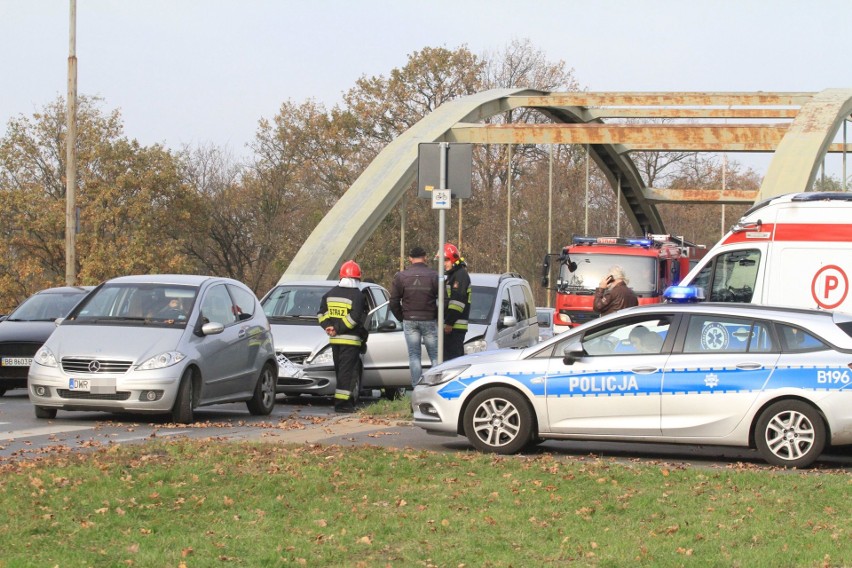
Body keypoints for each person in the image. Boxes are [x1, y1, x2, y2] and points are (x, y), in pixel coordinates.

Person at [318, 260, 369, 413]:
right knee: (347, 373)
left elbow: (321, 314)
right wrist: (338, 328)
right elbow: (355, 318)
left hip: (334, 340)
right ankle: (343, 404)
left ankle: (342, 402)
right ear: (357, 278)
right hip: (350, 341)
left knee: (340, 371)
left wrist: (329, 327)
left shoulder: (330, 294)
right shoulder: (358, 296)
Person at [389, 246, 439, 388]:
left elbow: (393, 301)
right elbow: (443, 300)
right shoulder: (434, 276)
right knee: (435, 356)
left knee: (414, 355)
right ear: (425, 257)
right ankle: (436, 386)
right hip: (429, 319)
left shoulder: (401, 276)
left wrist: (402, 317)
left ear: (410, 259)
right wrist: (436, 316)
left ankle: (417, 387)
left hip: (409, 319)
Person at [441, 243, 471, 361]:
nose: (444, 263)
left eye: (446, 260)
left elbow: (457, 302)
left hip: (455, 327)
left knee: (453, 361)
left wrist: (449, 323)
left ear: (453, 259)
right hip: (452, 326)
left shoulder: (460, 275)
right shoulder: (454, 275)